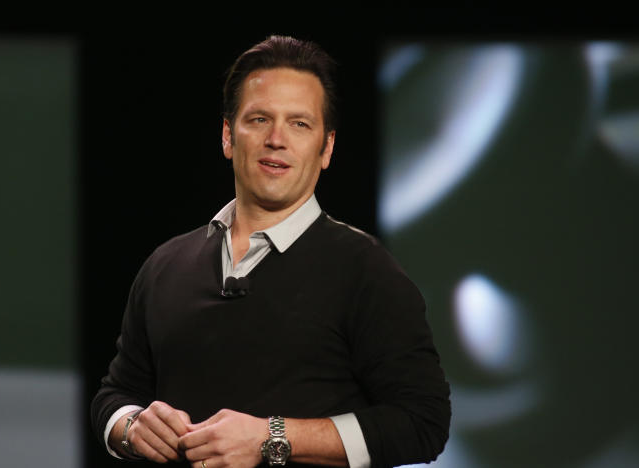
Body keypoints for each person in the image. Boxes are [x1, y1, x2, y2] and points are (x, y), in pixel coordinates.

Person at [91, 35, 451, 468]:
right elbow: (114, 395)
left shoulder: (365, 270)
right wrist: (131, 427)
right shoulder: (166, 264)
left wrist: (272, 437)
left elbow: (421, 422)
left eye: (299, 124)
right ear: (228, 136)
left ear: (327, 148)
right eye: (259, 119)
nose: (277, 139)